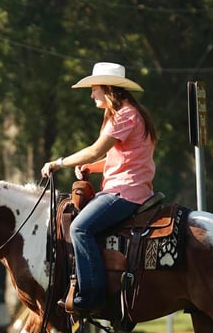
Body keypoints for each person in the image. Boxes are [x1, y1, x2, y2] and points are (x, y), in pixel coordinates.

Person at [41, 62, 157, 313]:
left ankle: (90, 296)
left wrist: (58, 163)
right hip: (128, 188)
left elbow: (95, 150)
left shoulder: (125, 115)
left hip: (125, 192)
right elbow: (122, 159)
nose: (92, 94)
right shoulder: (128, 114)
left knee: (80, 228)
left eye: (94, 89)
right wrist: (92, 169)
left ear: (108, 89)